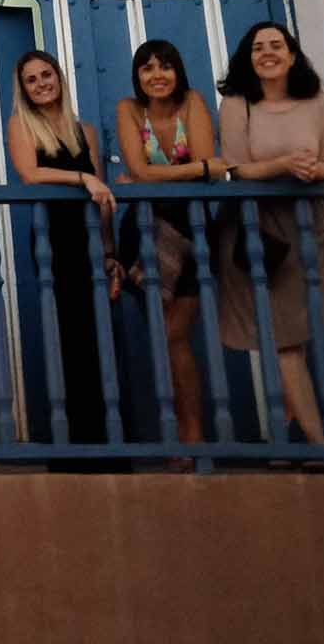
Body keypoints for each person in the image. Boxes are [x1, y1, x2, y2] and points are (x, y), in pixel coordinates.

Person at [214, 21, 324, 450]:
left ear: (292, 55)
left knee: (298, 336)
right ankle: (321, 445)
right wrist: (285, 164)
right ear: (248, 58)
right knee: (285, 342)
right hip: (261, 232)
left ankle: (288, 441)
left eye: (276, 45)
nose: (267, 52)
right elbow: (236, 167)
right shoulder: (237, 104)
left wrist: (310, 169)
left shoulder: (318, 101)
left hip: (308, 227)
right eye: (258, 47)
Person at [115, 39, 225, 451]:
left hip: (192, 228)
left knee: (174, 334)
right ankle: (185, 435)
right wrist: (196, 168)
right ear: (137, 76)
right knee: (164, 335)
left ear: (178, 72)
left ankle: (189, 433)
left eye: (165, 66)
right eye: (147, 68)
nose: (157, 75)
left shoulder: (193, 102)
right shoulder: (128, 110)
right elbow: (198, 166)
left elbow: (204, 167)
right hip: (144, 230)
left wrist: (148, 177)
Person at [5, 48, 118, 448]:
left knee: (100, 335)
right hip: (54, 239)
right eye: (31, 80)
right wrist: (82, 178)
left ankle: (107, 443)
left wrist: (109, 251)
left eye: (46, 75)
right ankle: (75, 447)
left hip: (89, 241)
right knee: (70, 337)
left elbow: (103, 199)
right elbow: (30, 174)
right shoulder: (21, 125)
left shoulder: (84, 130)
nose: (41, 84)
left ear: (59, 77)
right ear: (23, 89)